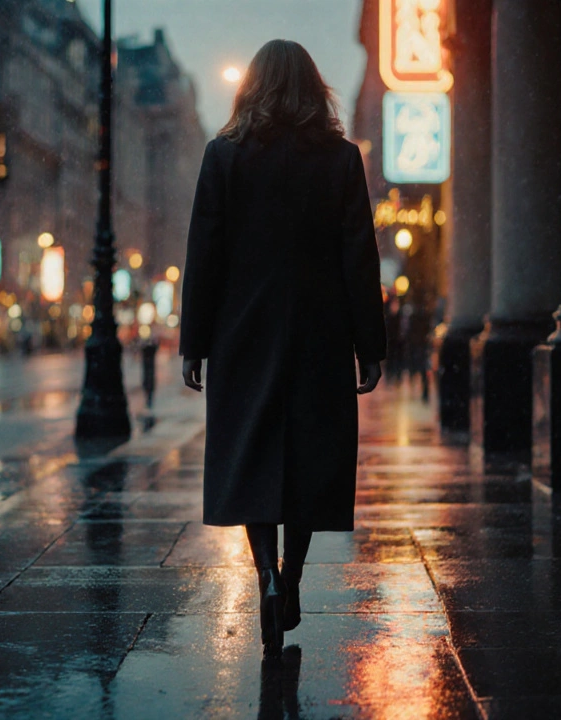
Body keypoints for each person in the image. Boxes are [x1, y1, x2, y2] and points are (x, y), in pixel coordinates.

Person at [178, 39, 386, 657]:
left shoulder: (225, 156)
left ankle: (265, 575)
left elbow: (204, 254)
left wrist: (196, 341)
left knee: (252, 455)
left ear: (253, 88)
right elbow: (359, 256)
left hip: (244, 333)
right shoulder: (341, 159)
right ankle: (293, 577)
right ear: (312, 89)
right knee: (310, 458)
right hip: (319, 333)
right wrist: (368, 345)